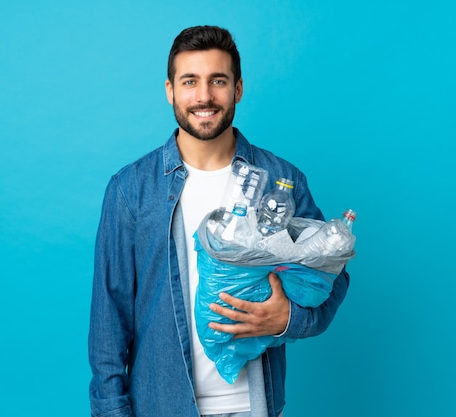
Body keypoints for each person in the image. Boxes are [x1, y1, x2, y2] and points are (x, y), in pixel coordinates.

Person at [88, 25, 350, 417]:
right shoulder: (130, 190)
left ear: (238, 89)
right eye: (190, 81)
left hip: (255, 406)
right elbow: (109, 320)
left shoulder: (283, 180)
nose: (204, 96)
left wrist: (287, 319)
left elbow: (332, 279)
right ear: (170, 90)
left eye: (218, 81)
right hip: (161, 406)